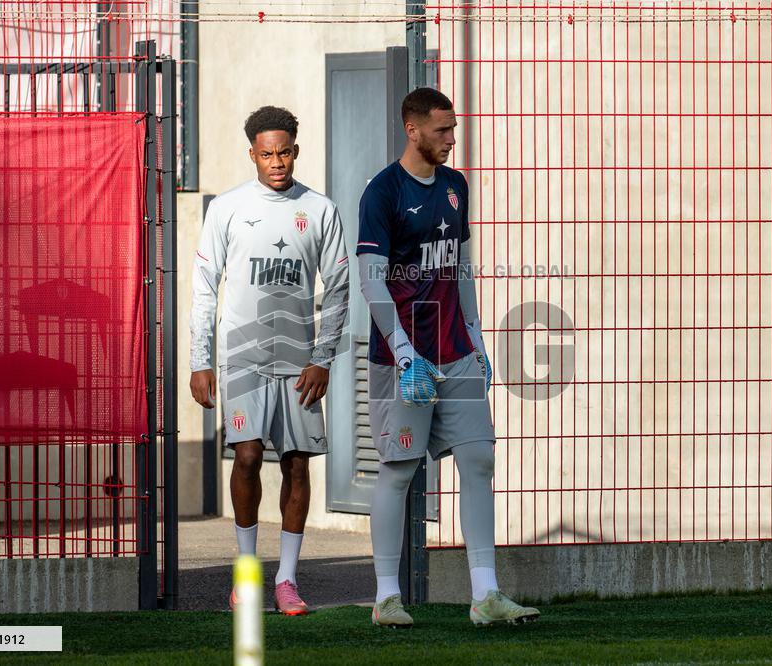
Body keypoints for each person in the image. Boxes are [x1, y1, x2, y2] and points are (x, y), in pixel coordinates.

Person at [357, 88, 539, 627]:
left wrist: (477, 335)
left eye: (452, 129)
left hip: (455, 351)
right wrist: (406, 351)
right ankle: (386, 597)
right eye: (441, 131)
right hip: (403, 357)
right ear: (411, 129)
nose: (451, 140)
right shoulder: (382, 192)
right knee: (398, 470)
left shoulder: (456, 187)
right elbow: (371, 280)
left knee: (479, 459)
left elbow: (460, 267)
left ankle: (486, 595)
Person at [189, 106, 350, 615]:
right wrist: (201, 359)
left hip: (299, 360)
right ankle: (246, 575)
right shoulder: (228, 208)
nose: (276, 162)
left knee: (297, 465)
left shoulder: (319, 209)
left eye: (284, 153)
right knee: (249, 456)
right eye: (266, 154)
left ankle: (286, 580)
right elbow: (204, 289)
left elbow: (341, 287)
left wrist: (323, 357)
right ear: (252, 154)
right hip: (242, 358)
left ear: (295, 151)